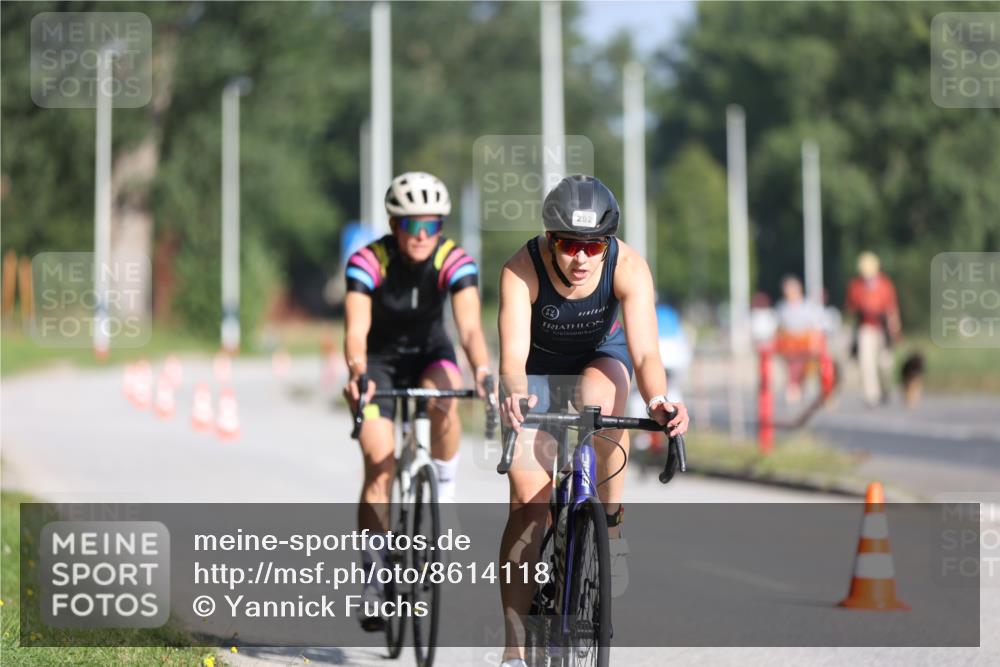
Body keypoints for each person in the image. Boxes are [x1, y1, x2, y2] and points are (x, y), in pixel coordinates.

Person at [496, 175, 690, 667]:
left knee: (598, 406)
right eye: (568, 244)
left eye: (592, 245)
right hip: (537, 371)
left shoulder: (627, 266)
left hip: (602, 357)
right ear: (549, 239)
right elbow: (512, 360)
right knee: (528, 503)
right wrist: (515, 393)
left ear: (607, 243)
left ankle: (610, 522)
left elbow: (645, 352)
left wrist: (660, 400)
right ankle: (514, 651)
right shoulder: (521, 270)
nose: (581, 258)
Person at [342, 171, 492, 630]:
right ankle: (373, 575)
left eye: (431, 225)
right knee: (378, 462)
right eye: (412, 226)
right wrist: (357, 373)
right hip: (379, 363)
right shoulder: (368, 261)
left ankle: (443, 488)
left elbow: (468, 328)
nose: (422, 236)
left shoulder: (454, 259)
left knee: (445, 396)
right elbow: (355, 331)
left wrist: (483, 369)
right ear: (394, 225)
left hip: (431, 355)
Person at [845, 251, 901, 407]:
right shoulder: (855, 285)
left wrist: (894, 327)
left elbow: (891, 308)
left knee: (885, 363)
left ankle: (886, 388)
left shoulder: (885, 284)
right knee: (866, 362)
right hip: (865, 327)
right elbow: (850, 309)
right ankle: (872, 395)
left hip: (882, 327)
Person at [774, 275, 825, 404]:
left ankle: (800, 386)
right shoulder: (783, 307)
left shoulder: (807, 306)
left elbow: (815, 326)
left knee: (806, 368)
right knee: (793, 367)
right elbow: (780, 327)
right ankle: (793, 387)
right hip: (790, 344)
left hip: (805, 342)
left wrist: (815, 342)